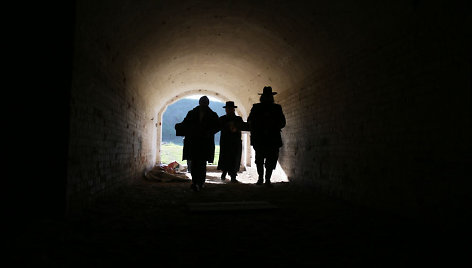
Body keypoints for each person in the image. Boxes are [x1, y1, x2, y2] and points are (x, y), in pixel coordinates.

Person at [176, 96, 219, 191]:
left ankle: (200, 182)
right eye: (203, 103)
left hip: (201, 142)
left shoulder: (205, 114)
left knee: (200, 164)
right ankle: (196, 182)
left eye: (205, 103)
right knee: (195, 164)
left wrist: (208, 133)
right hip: (196, 142)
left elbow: (216, 127)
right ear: (200, 103)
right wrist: (179, 127)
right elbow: (185, 123)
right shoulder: (195, 113)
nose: (203, 104)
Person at [247, 86, 286, 186]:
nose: (267, 98)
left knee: (270, 160)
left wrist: (271, 125)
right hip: (264, 138)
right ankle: (262, 179)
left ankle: (266, 179)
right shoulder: (261, 108)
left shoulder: (260, 107)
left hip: (268, 138)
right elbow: (250, 121)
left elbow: (282, 122)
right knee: (261, 160)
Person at [217, 101, 245, 183]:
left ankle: (231, 175)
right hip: (228, 142)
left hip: (233, 142)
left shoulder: (223, 119)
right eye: (228, 108)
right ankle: (226, 173)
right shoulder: (236, 119)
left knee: (233, 159)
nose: (228, 110)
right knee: (229, 158)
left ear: (233, 109)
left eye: (230, 108)